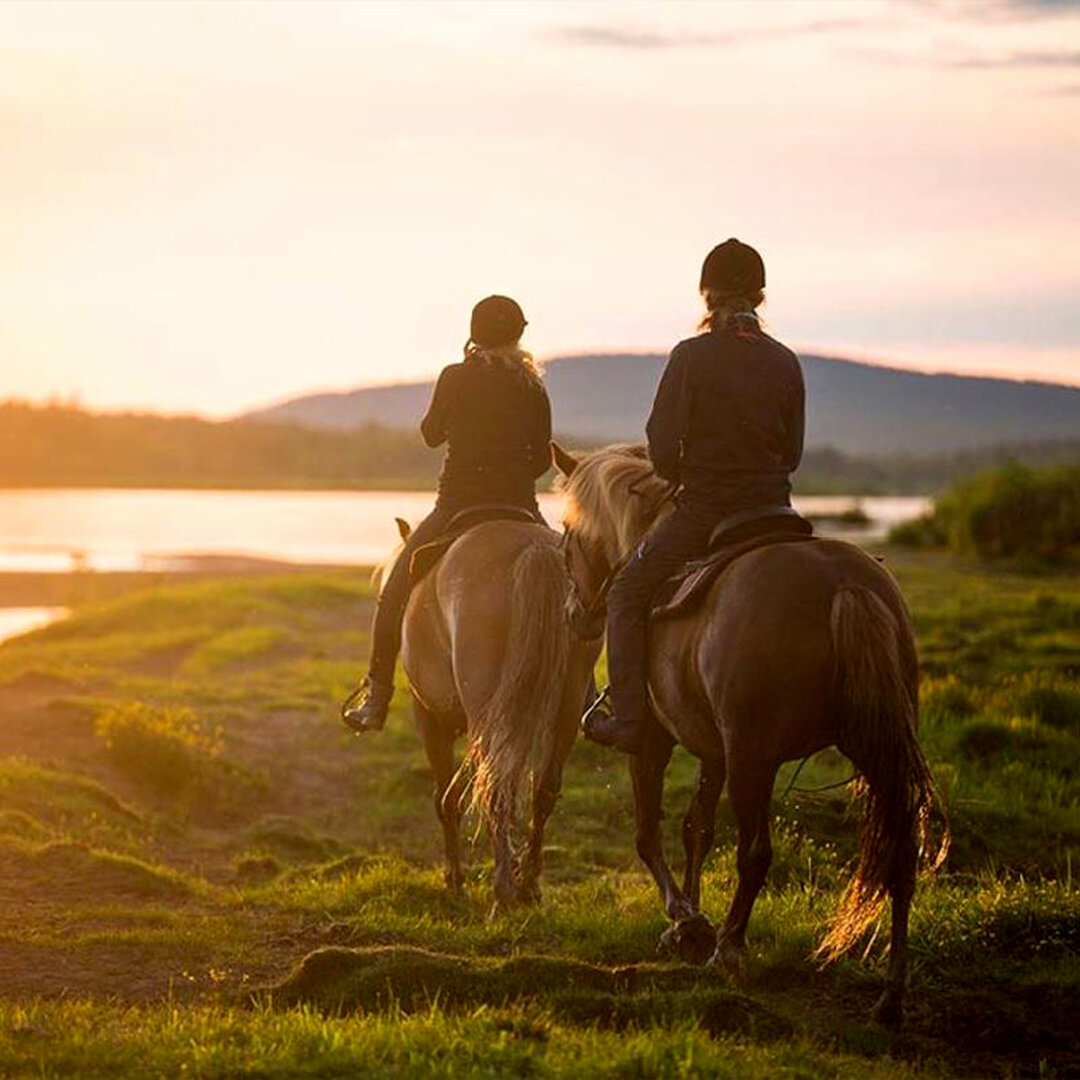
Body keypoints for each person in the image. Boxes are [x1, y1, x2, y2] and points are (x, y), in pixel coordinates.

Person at [583, 239, 805, 754]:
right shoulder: (786, 361)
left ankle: (631, 722)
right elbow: (791, 453)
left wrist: (683, 473)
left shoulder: (690, 355)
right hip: (777, 512)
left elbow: (661, 447)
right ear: (761, 296)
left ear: (706, 297)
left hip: (706, 511)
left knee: (627, 591)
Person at [342, 295, 553, 733]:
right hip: (521, 507)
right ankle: (589, 697)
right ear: (518, 335)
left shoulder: (455, 376)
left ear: (474, 336)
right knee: (570, 589)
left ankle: (377, 694)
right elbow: (540, 463)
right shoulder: (533, 385)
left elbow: (430, 435)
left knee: (396, 587)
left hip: (457, 505)